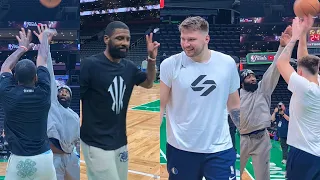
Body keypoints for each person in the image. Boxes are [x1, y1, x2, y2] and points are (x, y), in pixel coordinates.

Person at [160, 16, 240, 180]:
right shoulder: (169, 64)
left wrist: (245, 133)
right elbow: (161, 105)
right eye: (183, 38)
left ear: (206, 39)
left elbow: (234, 104)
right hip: (181, 148)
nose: (185, 44)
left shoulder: (227, 63)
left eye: (191, 39)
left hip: (219, 148)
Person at [80, 21, 159, 180]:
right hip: (96, 143)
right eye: (119, 38)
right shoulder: (90, 65)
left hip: (120, 141)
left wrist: (151, 59)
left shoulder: (129, 67)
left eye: (128, 39)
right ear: (106, 39)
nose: (124, 43)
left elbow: (149, 83)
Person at [0, 27, 57, 179]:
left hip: (18, 160)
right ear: (36, 78)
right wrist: (44, 39)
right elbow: (42, 60)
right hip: (44, 159)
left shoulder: (8, 93)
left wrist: (22, 48)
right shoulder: (44, 92)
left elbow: (5, 67)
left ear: (15, 78)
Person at [239, 26, 292, 180]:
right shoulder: (236, 94)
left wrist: (282, 47)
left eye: (254, 76)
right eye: (249, 77)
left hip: (261, 138)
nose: (253, 78)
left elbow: (275, 68)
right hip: (242, 138)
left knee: (263, 177)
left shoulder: (263, 89)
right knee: (230, 174)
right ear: (242, 82)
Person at [33, 25, 80, 180]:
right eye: (61, 91)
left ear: (71, 97)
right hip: (54, 157)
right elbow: (49, 70)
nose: (63, 93)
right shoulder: (53, 104)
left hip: (71, 156)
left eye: (67, 92)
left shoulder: (74, 116)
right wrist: (45, 43)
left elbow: (78, 140)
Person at [276, 15, 320, 180]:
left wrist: (294, 37)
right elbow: (303, 60)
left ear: (299, 73)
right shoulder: (316, 83)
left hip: (303, 153)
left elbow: (281, 63)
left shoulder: (306, 89)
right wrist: (303, 34)